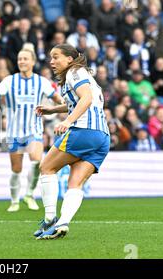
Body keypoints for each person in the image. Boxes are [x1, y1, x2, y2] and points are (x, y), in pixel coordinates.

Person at [34, 44, 110, 239]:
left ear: (70, 59)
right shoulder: (84, 76)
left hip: (83, 131)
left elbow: (86, 98)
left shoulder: (74, 72)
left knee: (46, 167)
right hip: (102, 137)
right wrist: (53, 110)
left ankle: (50, 218)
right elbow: (79, 102)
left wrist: (68, 121)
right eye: (51, 57)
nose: (52, 61)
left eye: (56, 57)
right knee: (75, 182)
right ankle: (63, 223)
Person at [0, 47, 62, 212]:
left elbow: (55, 97)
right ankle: (14, 201)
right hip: (14, 132)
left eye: (25, 59)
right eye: (20, 59)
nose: (22, 62)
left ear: (32, 61)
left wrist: (66, 105)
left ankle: (29, 195)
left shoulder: (41, 81)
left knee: (36, 162)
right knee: (16, 169)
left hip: (34, 130)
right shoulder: (10, 81)